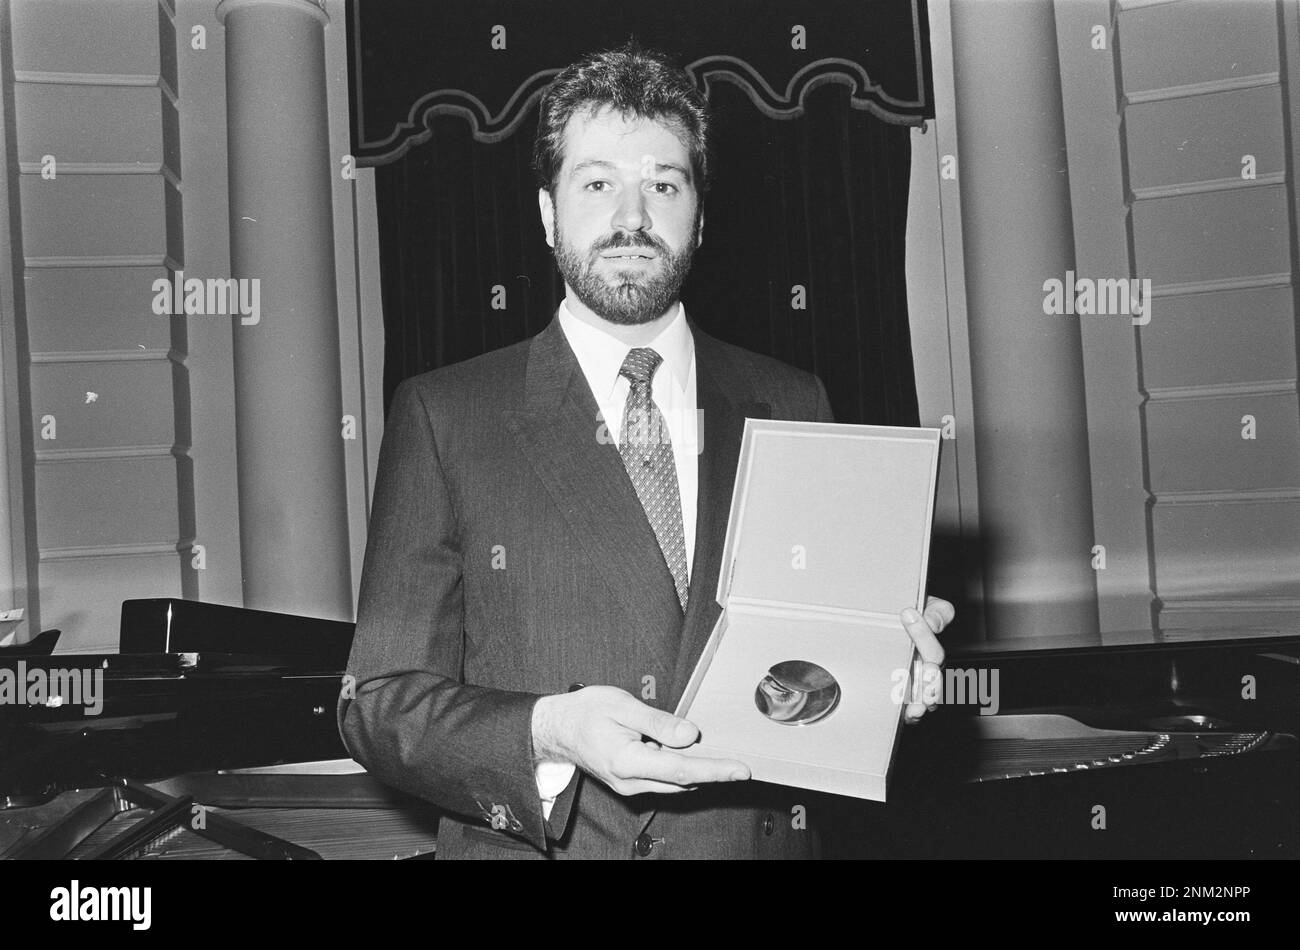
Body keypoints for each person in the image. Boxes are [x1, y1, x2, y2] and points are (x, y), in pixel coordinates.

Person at [338, 42, 953, 860]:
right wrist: (549, 733)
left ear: (698, 214)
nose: (632, 217)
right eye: (597, 183)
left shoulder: (796, 400)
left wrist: (877, 686)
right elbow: (376, 702)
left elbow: (802, 679)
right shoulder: (444, 415)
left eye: (663, 183)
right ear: (549, 213)